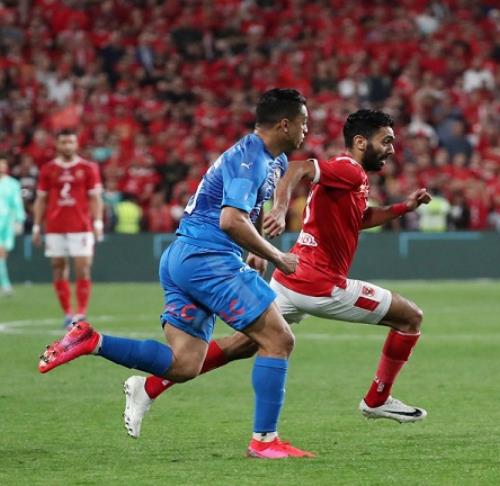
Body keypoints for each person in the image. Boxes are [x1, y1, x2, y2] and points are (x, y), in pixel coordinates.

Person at [38, 88, 315, 460]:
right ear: (284, 124)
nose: (306, 129)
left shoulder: (273, 159)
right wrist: (277, 256)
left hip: (184, 257)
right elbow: (230, 220)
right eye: (303, 122)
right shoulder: (249, 158)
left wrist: (256, 247)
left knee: (185, 364)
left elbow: (250, 208)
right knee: (279, 339)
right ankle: (264, 441)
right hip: (209, 258)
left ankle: (92, 340)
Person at [122, 109, 432, 439]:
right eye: (386, 141)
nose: (391, 149)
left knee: (243, 345)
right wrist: (281, 208)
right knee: (410, 317)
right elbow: (298, 168)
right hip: (319, 283)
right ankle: (377, 400)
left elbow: (361, 218)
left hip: (291, 279)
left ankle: (149, 387)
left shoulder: (351, 177)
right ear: (360, 142)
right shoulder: (348, 168)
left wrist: (404, 207)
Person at [32, 129, 104, 327]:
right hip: (55, 226)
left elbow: (95, 198)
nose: (67, 146)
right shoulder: (48, 169)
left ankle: (81, 313)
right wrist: (36, 226)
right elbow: (41, 199)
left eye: (71, 142)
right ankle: (67, 312)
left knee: (83, 267)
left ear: (76, 144)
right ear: (57, 144)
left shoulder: (88, 168)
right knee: (58, 267)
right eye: (63, 142)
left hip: (81, 226)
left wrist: (98, 222)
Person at [0, 156, 26, 295]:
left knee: (3, 253)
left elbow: (17, 203)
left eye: (3, 164)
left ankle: (5, 284)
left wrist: (19, 220)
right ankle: (5, 284)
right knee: (1, 253)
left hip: (7, 223)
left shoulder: (13, 184)